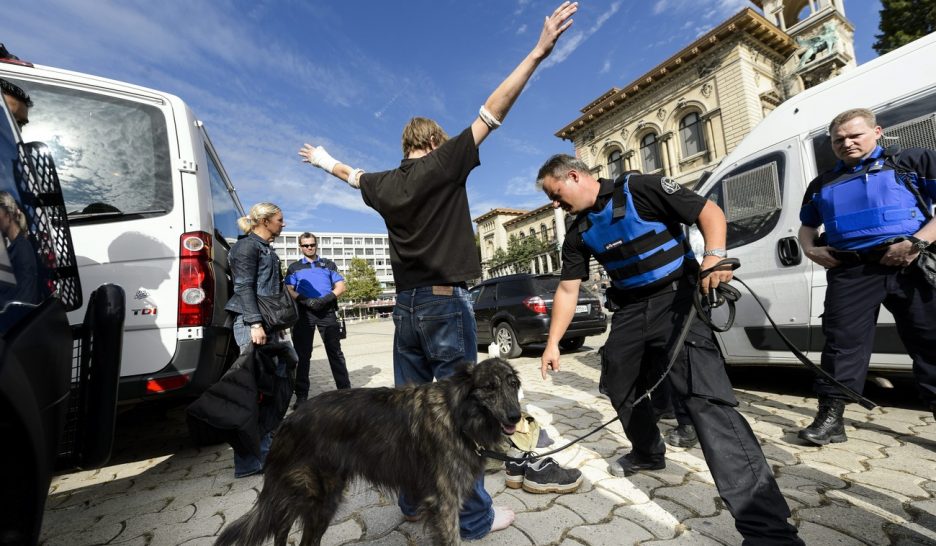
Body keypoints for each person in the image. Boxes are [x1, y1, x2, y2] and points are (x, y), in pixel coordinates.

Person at [297, 2, 578, 539]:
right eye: (442, 142)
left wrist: (322, 157)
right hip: (446, 304)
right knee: (460, 419)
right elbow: (493, 111)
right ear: (431, 143)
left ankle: (411, 501)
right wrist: (537, 52)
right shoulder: (443, 161)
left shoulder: (383, 183)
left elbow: (348, 174)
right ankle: (472, 518)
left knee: (407, 415)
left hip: (404, 309)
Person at [536, 155, 803, 545]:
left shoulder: (640, 188)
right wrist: (552, 344)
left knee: (705, 402)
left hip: (677, 298)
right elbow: (567, 289)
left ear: (574, 176)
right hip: (629, 309)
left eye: (556, 195)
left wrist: (714, 257)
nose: (555, 206)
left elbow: (708, 212)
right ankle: (647, 451)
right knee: (617, 380)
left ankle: (769, 531)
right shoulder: (578, 232)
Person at [797, 108, 936, 445]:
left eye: (854, 135)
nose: (847, 143)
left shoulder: (911, 161)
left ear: (877, 132)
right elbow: (806, 227)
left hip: (910, 264)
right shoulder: (822, 184)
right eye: (838, 140)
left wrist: (917, 243)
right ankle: (832, 418)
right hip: (852, 270)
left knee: (930, 342)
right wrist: (809, 249)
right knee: (841, 344)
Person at [223, 202, 296, 478]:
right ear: (264, 220)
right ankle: (249, 460)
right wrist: (254, 322)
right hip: (251, 322)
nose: (283, 224)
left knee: (281, 374)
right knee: (253, 392)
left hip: (267, 324)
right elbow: (243, 287)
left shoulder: (265, 249)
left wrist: (274, 326)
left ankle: (266, 445)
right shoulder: (246, 248)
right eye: (280, 219)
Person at [285, 232, 350, 404]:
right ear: (300, 247)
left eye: (312, 244)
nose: (309, 247)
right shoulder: (294, 268)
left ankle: (346, 393)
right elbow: (289, 289)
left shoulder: (328, 264)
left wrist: (324, 300)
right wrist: (306, 301)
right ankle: (301, 396)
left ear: (316, 245)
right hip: (304, 315)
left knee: (335, 353)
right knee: (302, 355)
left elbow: (341, 286)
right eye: (306, 245)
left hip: (327, 312)